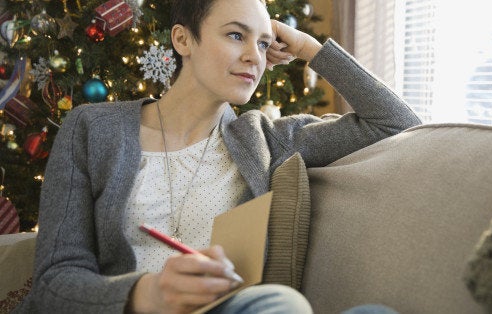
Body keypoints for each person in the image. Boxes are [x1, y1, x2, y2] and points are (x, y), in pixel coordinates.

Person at [14, 0, 421, 313]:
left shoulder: (266, 139)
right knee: (283, 306)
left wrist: (311, 49)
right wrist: (148, 293)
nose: (254, 57)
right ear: (183, 39)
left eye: (263, 43)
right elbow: (54, 284)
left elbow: (396, 123)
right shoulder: (92, 129)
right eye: (235, 35)